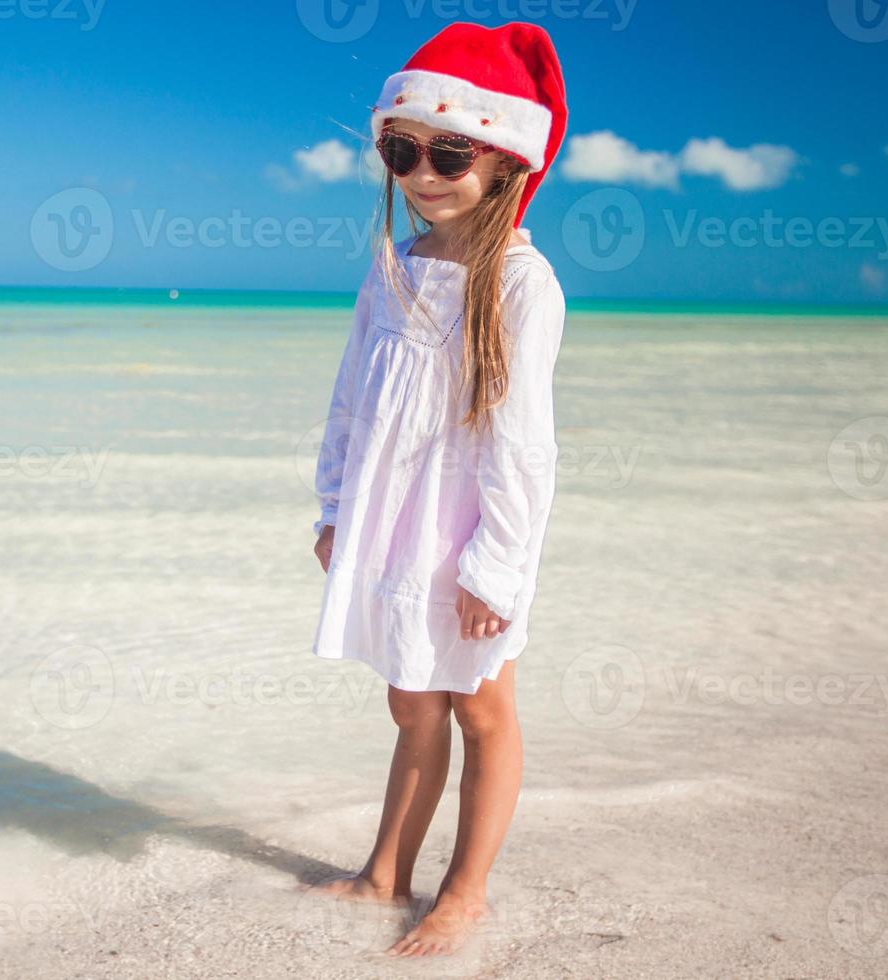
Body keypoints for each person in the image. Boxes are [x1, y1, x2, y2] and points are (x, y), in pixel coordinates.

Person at [306, 21, 570, 958]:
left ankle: (467, 892)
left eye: (451, 151)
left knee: (481, 705)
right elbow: (349, 397)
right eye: (401, 148)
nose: (424, 170)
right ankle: (386, 873)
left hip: (468, 538)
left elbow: (524, 445)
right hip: (392, 526)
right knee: (411, 699)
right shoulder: (394, 268)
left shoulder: (522, 284)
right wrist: (336, 508)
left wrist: (496, 568)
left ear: (504, 162)